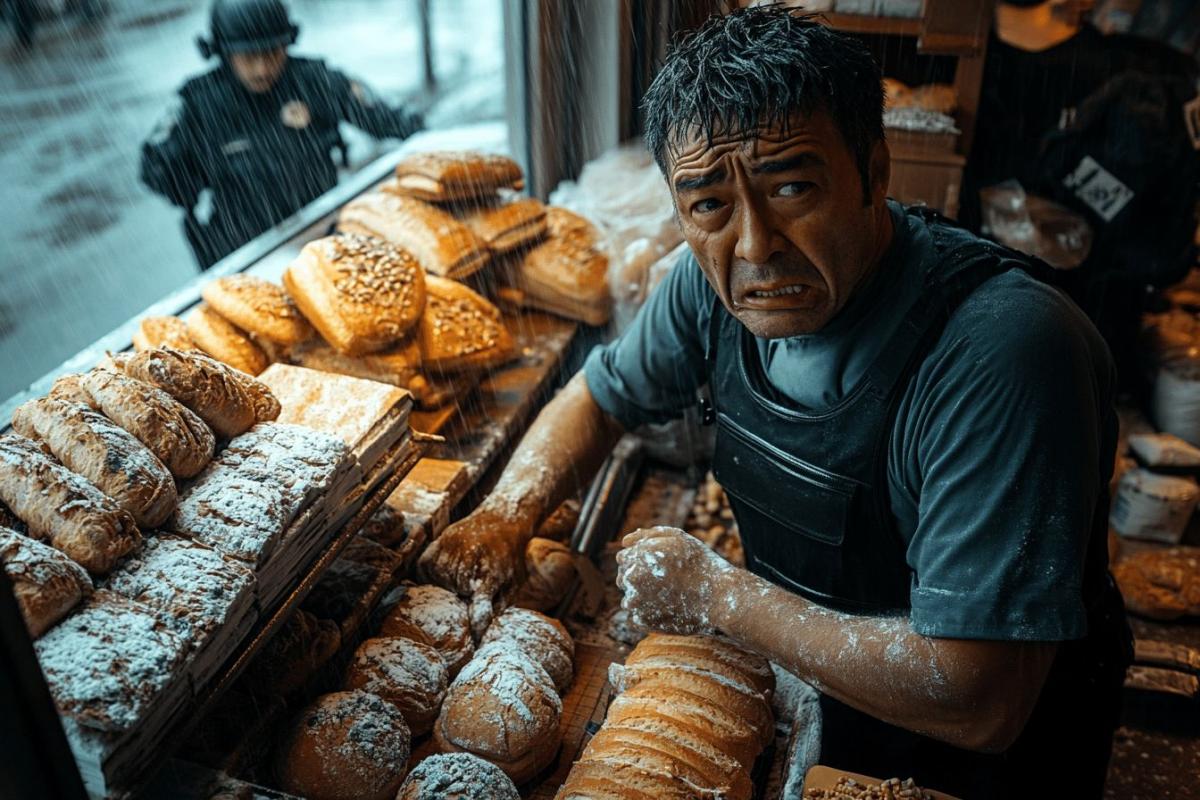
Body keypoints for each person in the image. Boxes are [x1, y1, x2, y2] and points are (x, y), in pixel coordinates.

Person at [419, 8, 1131, 797]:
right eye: (708, 205)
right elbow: (599, 393)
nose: (755, 246)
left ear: (875, 171)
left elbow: (980, 696)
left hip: (984, 764)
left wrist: (716, 593)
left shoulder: (1005, 350)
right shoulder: (708, 286)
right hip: (806, 688)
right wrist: (507, 513)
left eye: (793, 187)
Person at [961, 0, 1200, 385]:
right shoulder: (1144, 72)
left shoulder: (1143, 77)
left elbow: (1162, 250)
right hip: (1058, 345)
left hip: (1055, 345)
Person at [140, 0, 423, 269]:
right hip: (248, 255)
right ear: (224, 53)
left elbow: (394, 119)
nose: (262, 68)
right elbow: (158, 172)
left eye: (272, 53)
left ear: (288, 45)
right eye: (249, 57)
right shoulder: (198, 104)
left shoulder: (313, 80)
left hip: (325, 238)